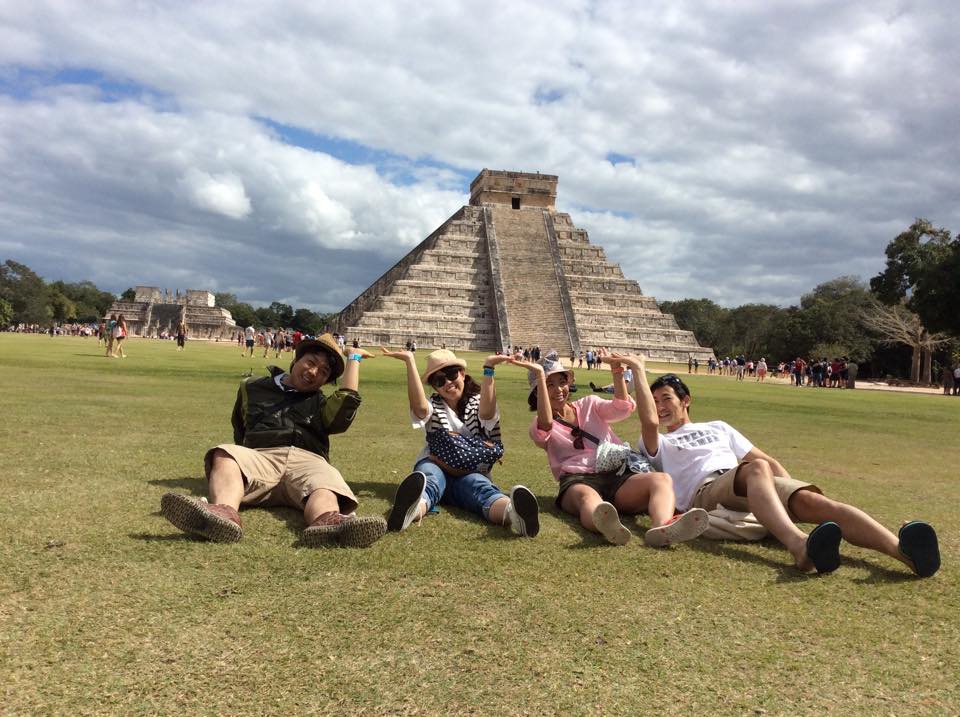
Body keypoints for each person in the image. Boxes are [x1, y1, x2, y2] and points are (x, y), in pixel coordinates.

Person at [635, 371, 940, 577]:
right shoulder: (659, 441)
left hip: (750, 480)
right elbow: (649, 422)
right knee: (756, 469)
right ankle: (800, 546)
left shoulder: (718, 427)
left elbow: (767, 460)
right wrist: (637, 368)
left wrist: (790, 493)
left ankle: (903, 553)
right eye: (656, 401)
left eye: (666, 398)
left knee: (816, 503)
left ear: (685, 400)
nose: (660, 406)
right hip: (708, 490)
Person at [160, 334, 386, 548]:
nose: (314, 372)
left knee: (325, 481)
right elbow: (240, 426)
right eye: (311, 362)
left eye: (324, 372)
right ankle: (223, 513)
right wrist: (242, 461)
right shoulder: (252, 387)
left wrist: (354, 358)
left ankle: (330, 522)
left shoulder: (322, 404)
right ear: (296, 359)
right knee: (226, 453)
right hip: (261, 457)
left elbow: (345, 402)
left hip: (307, 461)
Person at [513, 352, 707, 547]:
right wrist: (539, 376)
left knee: (661, 479)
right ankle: (607, 526)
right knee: (587, 498)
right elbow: (546, 424)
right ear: (538, 393)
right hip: (578, 480)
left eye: (562, 382)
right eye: (549, 385)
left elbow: (622, 408)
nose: (559, 390)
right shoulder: (538, 424)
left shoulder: (589, 404)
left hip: (616, 475)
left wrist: (616, 371)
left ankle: (662, 528)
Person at [382, 347, 539, 537]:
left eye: (451, 374)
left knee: (482, 490)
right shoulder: (433, 404)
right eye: (439, 381)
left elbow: (487, 413)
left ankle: (515, 515)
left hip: (469, 473)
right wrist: (410, 362)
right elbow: (420, 408)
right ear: (434, 387)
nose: (448, 383)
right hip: (436, 465)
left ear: (462, 374)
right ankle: (410, 512)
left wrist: (489, 368)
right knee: (430, 481)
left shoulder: (478, 402)